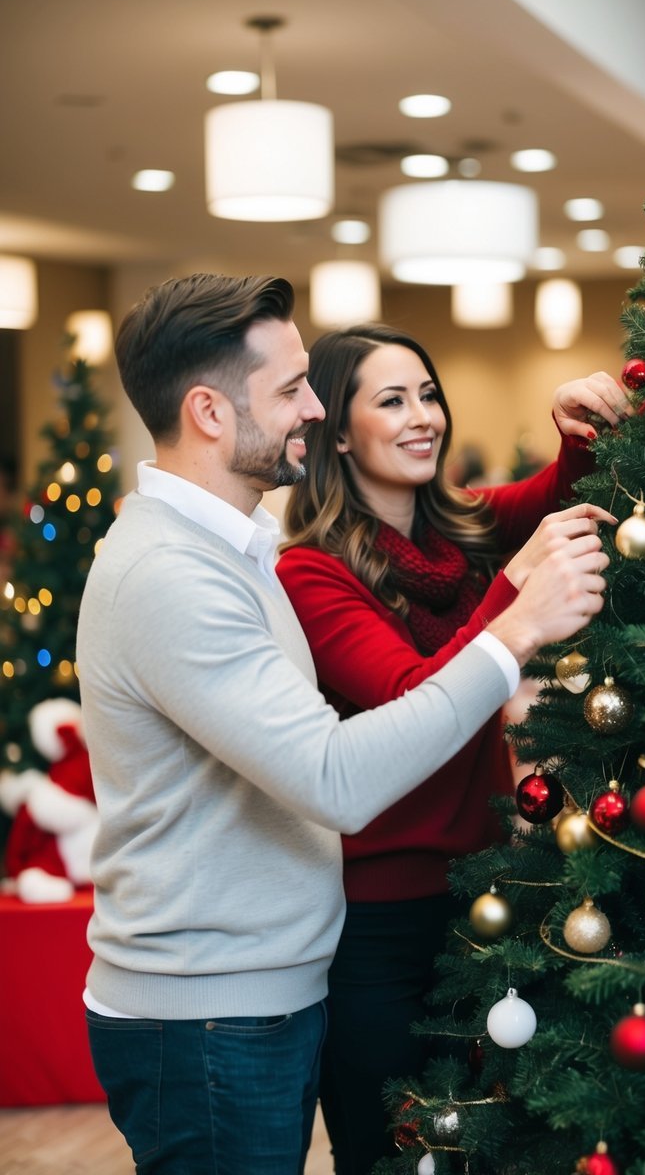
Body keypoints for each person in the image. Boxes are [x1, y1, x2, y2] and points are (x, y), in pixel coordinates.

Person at [75, 274, 612, 1175]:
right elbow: (337, 779)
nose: (313, 408)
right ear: (208, 411)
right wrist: (517, 624)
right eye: (290, 389)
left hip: (251, 995)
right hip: (208, 1011)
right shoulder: (173, 574)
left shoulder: (229, 550)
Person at [276, 323, 632, 1174]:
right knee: (390, 1150)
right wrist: (512, 600)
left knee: (483, 1144)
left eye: (427, 394)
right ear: (336, 431)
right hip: (372, 928)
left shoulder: (462, 528)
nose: (421, 416)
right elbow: (412, 696)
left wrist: (574, 418)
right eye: (391, 400)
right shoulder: (311, 572)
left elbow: (560, 495)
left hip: (481, 903)